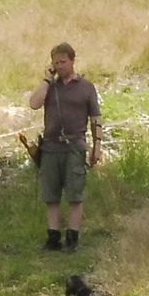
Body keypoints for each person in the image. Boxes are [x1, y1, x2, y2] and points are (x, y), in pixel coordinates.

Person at [27, 43, 103, 252]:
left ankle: (72, 237)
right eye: (55, 63)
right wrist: (46, 80)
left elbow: (96, 117)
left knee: (75, 195)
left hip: (74, 147)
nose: (59, 66)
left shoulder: (86, 87)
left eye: (63, 62)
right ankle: (53, 237)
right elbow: (33, 104)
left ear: (72, 61)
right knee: (50, 195)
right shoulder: (50, 87)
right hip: (51, 147)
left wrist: (97, 145)